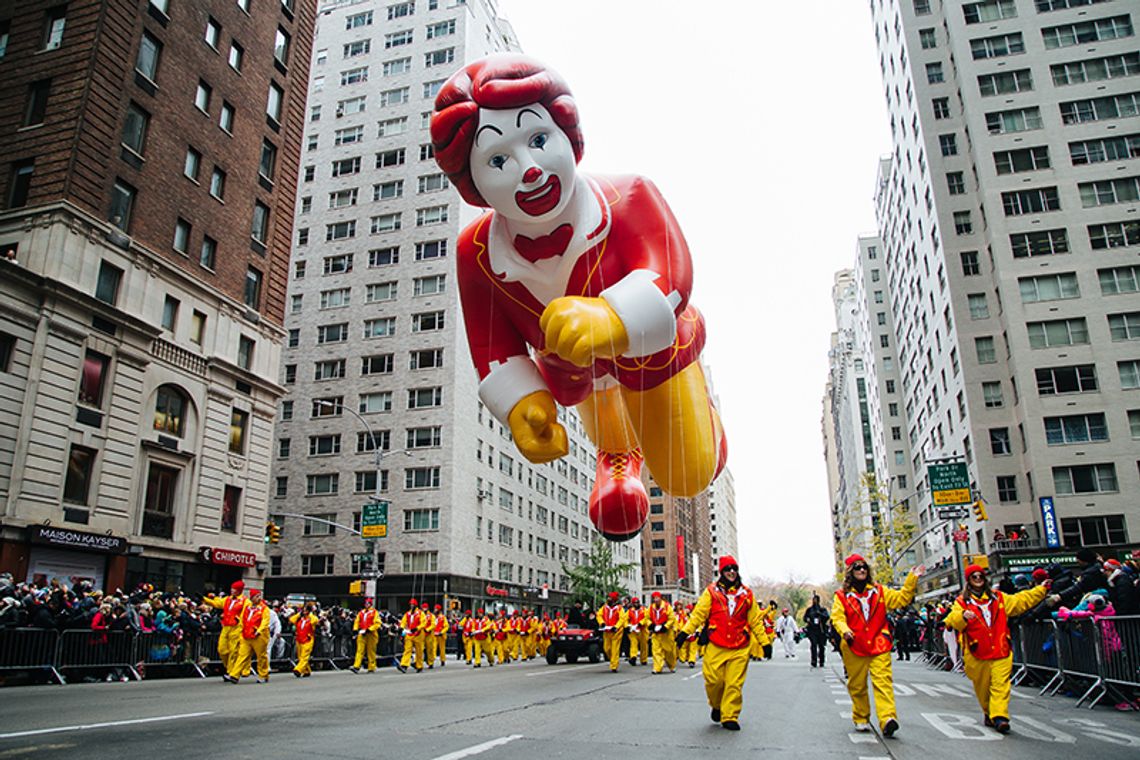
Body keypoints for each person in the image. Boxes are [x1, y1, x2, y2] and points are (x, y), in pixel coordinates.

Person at [431, 54, 727, 542]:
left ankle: (699, 413)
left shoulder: (630, 194)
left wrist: (613, 315)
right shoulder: (475, 253)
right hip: (575, 371)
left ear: (568, 136)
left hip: (651, 353)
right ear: (474, 184)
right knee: (588, 385)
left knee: (686, 474)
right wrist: (522, 404)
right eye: (498, 160)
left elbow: (671, 272)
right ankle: (618, 454)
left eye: (539, 140)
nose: (528, 170)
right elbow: (492, 346)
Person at [943, 564, 1057, 733]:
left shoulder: (999, 598)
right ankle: (989, 712)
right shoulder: (962, 602)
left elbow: (1021, 600)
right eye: (974, 577)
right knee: (982, 687)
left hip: (1000, 649)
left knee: (1000, 684)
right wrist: (962, 616)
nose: (978, 580)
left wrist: (1041, 590)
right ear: (969, 581)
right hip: (977, 652)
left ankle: (1000, 716)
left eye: (980, 576)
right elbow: (952, 619)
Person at [831, 554, 922, 737]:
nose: (862, 570)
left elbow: (901, 599)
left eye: (864, 566)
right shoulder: (841, 596)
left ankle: (887, 719)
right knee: (857, 686)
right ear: (850, 572)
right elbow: (837, 617)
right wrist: (845, 630)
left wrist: (912, 579)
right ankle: (861, 716)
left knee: (883, 682)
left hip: (879, 645)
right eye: (857, 567)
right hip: (854, 645)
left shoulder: (880, 591)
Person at [676, 556, 765, 731]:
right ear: (721, 572)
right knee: (713, 681)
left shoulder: (747, 594)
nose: (731, 572)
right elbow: (698, 614)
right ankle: (716, 705)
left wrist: (764, 642)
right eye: (727, 569)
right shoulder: (711, 592)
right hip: (716, 644)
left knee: (734, 684)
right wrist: (684, 632)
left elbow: (754, 619)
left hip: (740, 647)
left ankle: (730, 716)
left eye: (734, 568)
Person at [202, 580, 246, 676]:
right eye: (231, 589)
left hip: (236, 628)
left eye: (234, 589)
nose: (232, 590)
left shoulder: (245, 601)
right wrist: (204, 599)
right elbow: (217, 603)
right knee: (222, 649)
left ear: (239, 590)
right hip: (226, 627)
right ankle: (229, 668)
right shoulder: (227, 599)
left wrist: (241, 622)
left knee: (233, 651)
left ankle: (231, 672)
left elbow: (246, 614)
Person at [226, 588, 270, 684]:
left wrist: (259, 631)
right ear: (252, 597)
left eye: (259, 596)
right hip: (246, 636)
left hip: (259, 637)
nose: (259, 598)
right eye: (256, 596)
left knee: (261, 656)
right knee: (242, 656)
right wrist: (241, 632)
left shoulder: (264, 608)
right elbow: (242, 620)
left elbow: (265, 621)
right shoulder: (247, 607)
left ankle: (263, 674)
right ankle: (235, 675)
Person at [596, 591, 628, 672]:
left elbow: (622, 619)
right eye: (608, 597)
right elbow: (599, 615)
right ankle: (612, 659)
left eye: (610, 598)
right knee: (606, 648)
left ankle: (614, 666)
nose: (608, 599)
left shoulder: (620, 608)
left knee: (615, 649)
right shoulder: (604, 607)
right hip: (606, 631)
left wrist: (616, 626)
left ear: (614, 599)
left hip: (616, 631)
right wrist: (602, 623)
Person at [647, 591, 676, 674]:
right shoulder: (651, 608)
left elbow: (672, 618)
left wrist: (665, 626)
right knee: (656, 650)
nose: (656, 600)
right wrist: (651, 625)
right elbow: (647, 618)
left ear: (660, 598)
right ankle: (657, 668)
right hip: (656, 633)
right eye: (654, 598)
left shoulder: (667, 607)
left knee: (669, 651)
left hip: (666, 633)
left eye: (657, 598)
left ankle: (671, 665)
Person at [351, 597, 381, 674]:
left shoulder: (374, 612)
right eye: (365, 603)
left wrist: (370, 629)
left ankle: (371, 667)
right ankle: (356, 666)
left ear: (370, 604)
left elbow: (377, 623)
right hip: (362, 633)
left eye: (368, 603)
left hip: (371, 634)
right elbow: (357, 621)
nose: (366, 605)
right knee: (360, 650)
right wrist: (355, 629)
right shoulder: (361, 612)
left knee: (371, 651)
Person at [398, 598, 428, 673]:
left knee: (419, 651)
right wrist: (401, 628)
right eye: (410, 604)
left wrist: (417, 628)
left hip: (419, 634)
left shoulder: (421, 613)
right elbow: (403, 621)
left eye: (413, 604)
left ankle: (419, 665)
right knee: (407, 649)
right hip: (409, 634)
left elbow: (424, 623)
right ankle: (404, 665)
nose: (411, 606)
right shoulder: (407, 614)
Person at [290, 602, 319, 678]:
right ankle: (307, 670)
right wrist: (299, 614)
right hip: (299, 639)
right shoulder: (300, 619)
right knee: (300, 656)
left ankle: (298, 669)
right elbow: (291, 620)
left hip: (308, 639)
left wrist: (311, 614)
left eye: (306, 610)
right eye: (303, 610)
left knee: (304, 656)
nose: (304, 612)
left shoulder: (312, 619)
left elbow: (315, 620)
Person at [802, 594, 830, 668]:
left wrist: (820, 614)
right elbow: (804, 618)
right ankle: (813, 661)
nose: (814, 601)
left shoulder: (823, 609)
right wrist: (807, 619)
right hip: (812, 630)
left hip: (821, 630)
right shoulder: (809, 610)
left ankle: (821, 661)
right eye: (813, 600)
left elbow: (827, 617)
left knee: (821, 646)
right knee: (813, 645)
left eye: (816, 600)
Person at [626, 597, 649, 666]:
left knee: (644, 645)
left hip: (643, 630)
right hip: (633, 630)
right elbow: (625, 619)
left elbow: (647, 617)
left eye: (637, 602)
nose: (636, 604)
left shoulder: (644, 610)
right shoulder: (629, 611)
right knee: (633, 644)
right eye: (635, 603)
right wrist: (627, 626)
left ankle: (643, 659)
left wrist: (641, 623)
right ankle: (633, 657)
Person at [428, 604, 449, 668]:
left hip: (441, 635)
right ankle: (432, 660)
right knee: (433, 648)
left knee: (442, 649)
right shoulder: (432, 617)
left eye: (436, 609)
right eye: (434, 609)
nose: (435, 610)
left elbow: (446, 626)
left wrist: (442, 632)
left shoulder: (443, 617)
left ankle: (442, 660)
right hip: (434, 635)